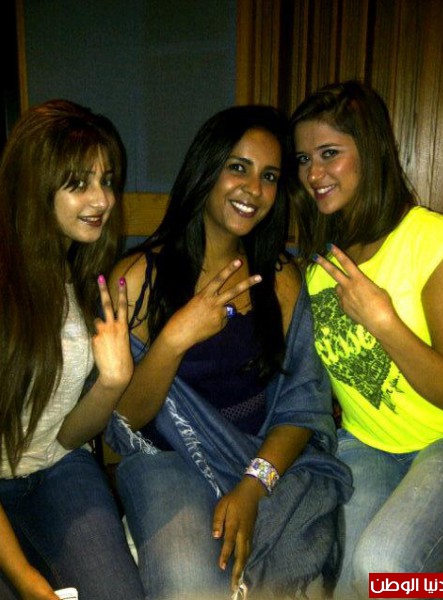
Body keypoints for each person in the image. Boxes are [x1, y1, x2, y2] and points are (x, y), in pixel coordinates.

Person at [104, 104, 352, 600]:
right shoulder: (138, 279)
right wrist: (175, 338)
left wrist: (253, 486)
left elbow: (302, 404)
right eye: (238, 167)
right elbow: (125, 418)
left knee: (288, 580)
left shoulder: (280, 278)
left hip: (260, 454)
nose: (253, 189)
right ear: (206, 168)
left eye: (269, 176)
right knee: (189, 587)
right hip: (167, 461)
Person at [290, 79, 443, 599]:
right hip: (368, 443)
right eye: (304, 159)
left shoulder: (433, 240)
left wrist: (383, 321)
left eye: (329, 153)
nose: (314, 174)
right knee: (339, 577)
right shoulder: (319, 265)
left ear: (371, 151)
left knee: (385, 565)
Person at [0, 99, 146, 600]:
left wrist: (113, 382)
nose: (102, 199)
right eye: (79, 183)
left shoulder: (83, 275)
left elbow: (67, 435)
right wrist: (26, 579)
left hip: (59, 467)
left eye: (107, 180)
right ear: (35, 186)